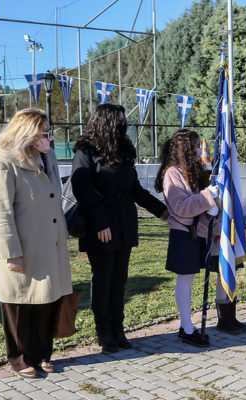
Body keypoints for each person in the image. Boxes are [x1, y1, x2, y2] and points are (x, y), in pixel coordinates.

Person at [71, 104, 168, 354]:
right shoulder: (85, 150)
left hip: (124, 225)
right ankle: (104, 333)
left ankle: (118, 329)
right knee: (103, 280)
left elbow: (135, 189)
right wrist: (101, 223)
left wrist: (162, 211)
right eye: (120, 120)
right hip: (100, 228)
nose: (124, 125)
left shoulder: (124, 149)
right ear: (106, 122)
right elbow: (83, 189)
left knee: (119, 280)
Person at [0, 108, 72, 378]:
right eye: (44, 132)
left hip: (50, 242)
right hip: (21, 246)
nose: (48, 137)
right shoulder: (2, 162)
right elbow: (0, 214)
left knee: (48, 299)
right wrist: (11, 253)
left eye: (49, 132)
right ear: (27, 132)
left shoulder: (48, 156)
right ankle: (21, 359)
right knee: (20, 303)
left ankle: (42, 353)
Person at [155, 129, 232, 347]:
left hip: (197, 232)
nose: (201, 150)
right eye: (197, 146)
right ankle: (186, 326)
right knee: (185, 278)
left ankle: (187, 325)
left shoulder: (193, 170)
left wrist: (212, 210)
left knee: (190, 279)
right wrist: (208, 197)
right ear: (186, 149)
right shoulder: (172, 173)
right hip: (183, 233)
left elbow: (200, 203)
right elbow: (180, 207)